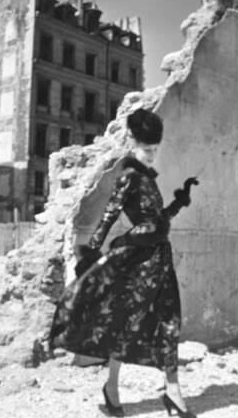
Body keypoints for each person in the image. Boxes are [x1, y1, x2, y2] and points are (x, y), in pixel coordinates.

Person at [52, 108, 199, 418]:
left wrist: (178, 202)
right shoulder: (129, 177)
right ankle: (112, 388)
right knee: (123, 324)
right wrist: (90, 254)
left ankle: (173, 392)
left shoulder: (148, 179)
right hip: (136, 262)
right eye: (148, 149)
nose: (152, 155)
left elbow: (156, 221)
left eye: (156, 150)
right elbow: (109, 215)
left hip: (160, 260)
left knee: (169, 322)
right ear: (133, 142)